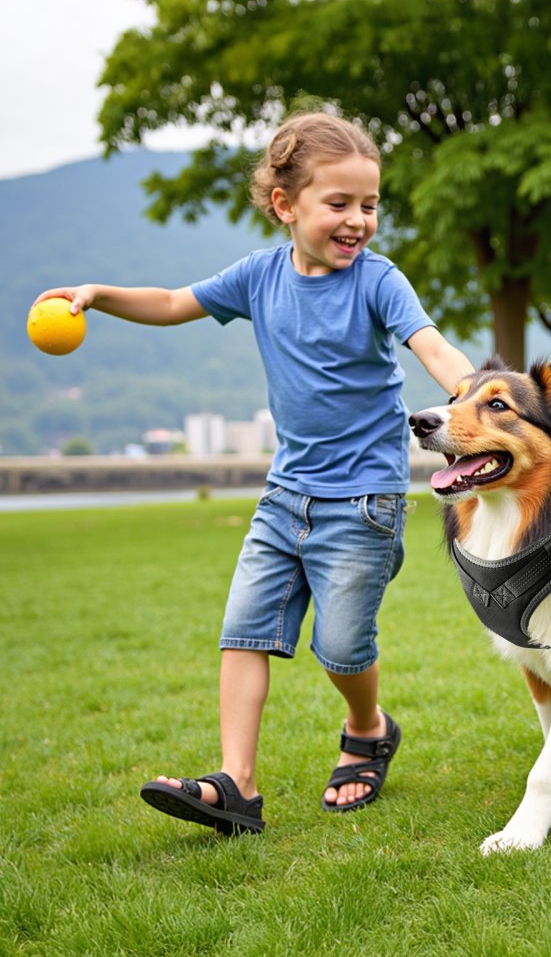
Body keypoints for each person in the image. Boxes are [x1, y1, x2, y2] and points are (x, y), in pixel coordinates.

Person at [33, 111, 474, 833]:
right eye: (339, 204)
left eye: (369, 205)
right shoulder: (258, 276)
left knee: (339, 645)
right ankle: (237, 785)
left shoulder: (377, 280)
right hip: (285, 495)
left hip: (363, 499)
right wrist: (98, 295)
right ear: (285, 205)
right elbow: (176, 302)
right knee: (243, 631)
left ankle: (367, 727)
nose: (358, 220)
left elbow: (430, 344)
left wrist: (470, 388)